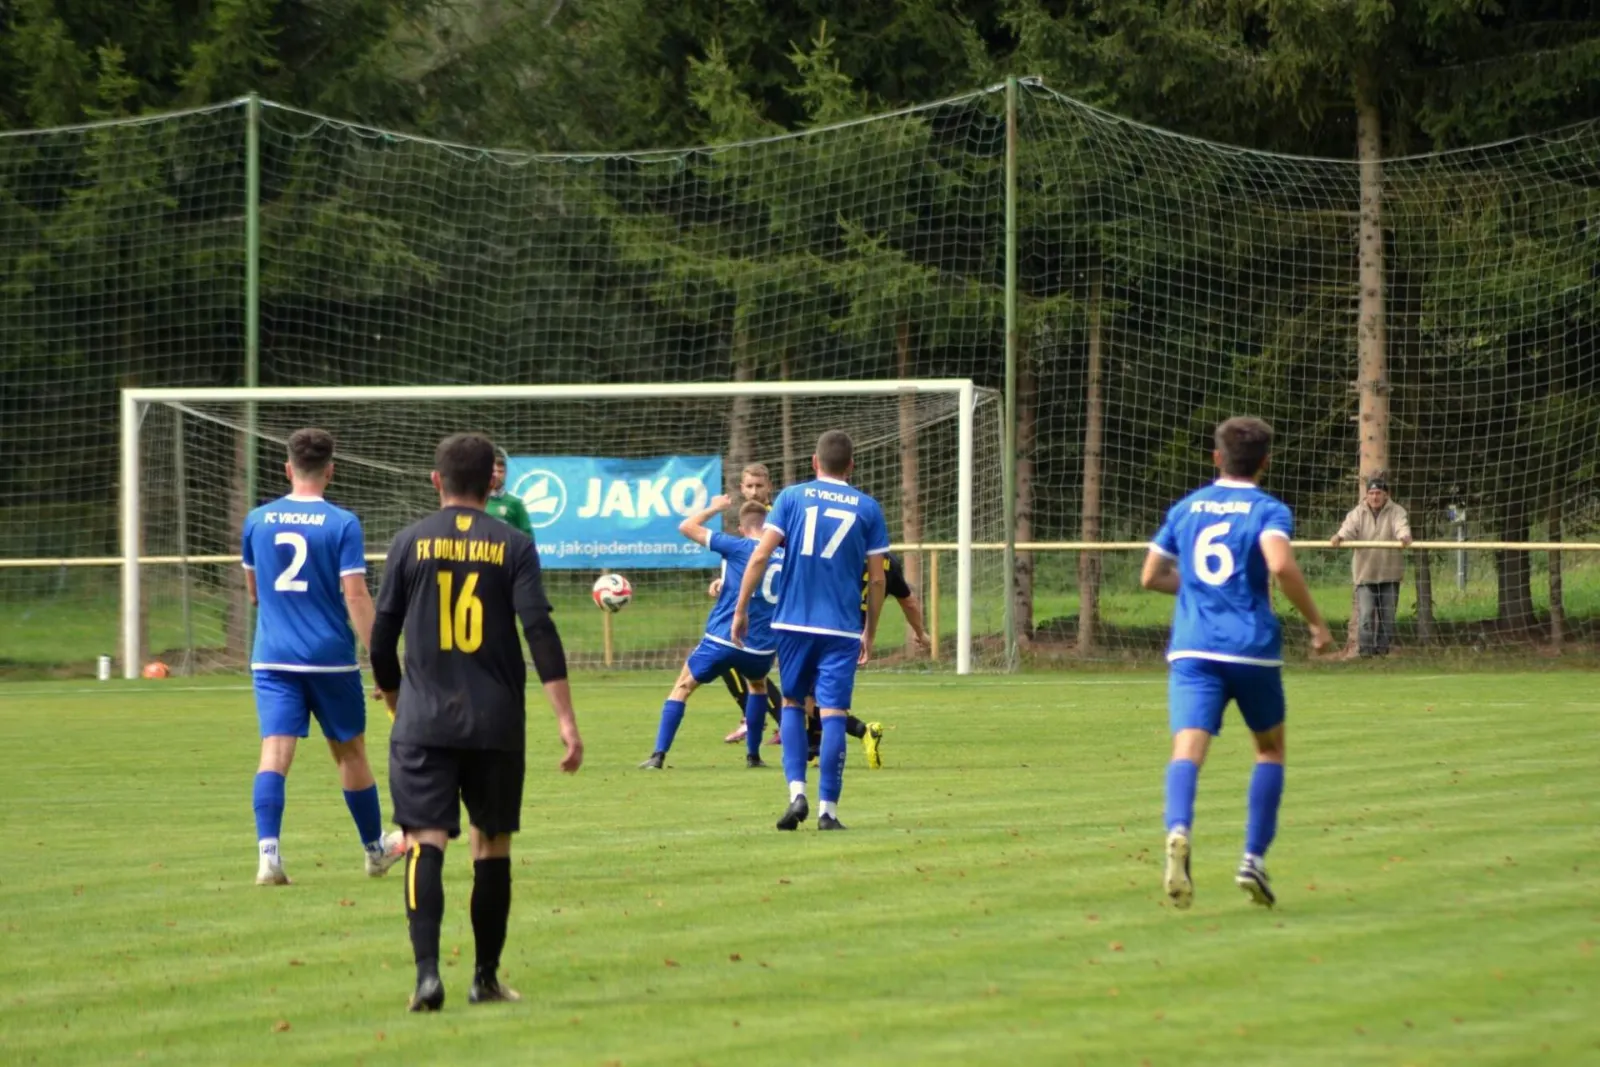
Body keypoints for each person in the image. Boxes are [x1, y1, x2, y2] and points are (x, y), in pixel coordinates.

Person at [370, 432, 583, 1012]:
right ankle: (485, 978)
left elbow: (381, 640)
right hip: (496, 722)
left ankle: (426, 977)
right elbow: (539, 631)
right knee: (491, 844)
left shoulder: (408, 542)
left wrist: (396, 701)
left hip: (423, 721)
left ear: (436, 480)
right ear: (493, 481)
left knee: (424, 840)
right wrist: (566, 720)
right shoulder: (514, 544)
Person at [1140, 417, 1332, 910]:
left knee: (1187, 749)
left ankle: (1178, 828)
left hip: (1194, 648)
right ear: (1266, 461)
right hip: (1250, 648)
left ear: (1216, 457)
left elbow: (1151, 576)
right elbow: (1280, 564)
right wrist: (1316, 622)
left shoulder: (1186, 508)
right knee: (1269, 749)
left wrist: (1198, 589)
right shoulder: (1268, 509)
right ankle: (1253, 858)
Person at [241, 428, 403, 887]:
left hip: (273, 658)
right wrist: (381, 660)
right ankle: (374, 851)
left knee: (274, 752)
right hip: (329, 659)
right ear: (331, 470)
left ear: (287, 469)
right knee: (350, 752)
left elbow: (254, 593)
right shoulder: (342, 523)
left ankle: (268, 857)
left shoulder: (257, 520)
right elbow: (356, 596)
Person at [732, 430, 890, 832]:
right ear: (851, 466)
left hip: (792, 622)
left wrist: (741, 608)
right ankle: (827, 812)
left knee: (791, 704)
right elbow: (877, 579)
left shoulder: (790, 498)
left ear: (814, 463)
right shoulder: (868, 508)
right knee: (833, 713)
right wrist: (869, 631)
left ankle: (796, 794)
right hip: (841, 627)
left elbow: (760, 555)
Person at [639, 498, 782, 770]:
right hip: (761, 647)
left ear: (741, 528)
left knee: (683, 687)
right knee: (758, 686)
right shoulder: (784, 556)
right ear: (768, 528)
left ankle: (658, 755)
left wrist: (715, 508)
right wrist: (723, 582)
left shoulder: (735, 545)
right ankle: (753, 756)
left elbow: (686, 526)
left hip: (723, 638)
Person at [802, 549, 933, 769]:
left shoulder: (838, 550)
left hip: (826, 630)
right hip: (856, 638)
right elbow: (908, 601)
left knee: (804, 701)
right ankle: (813, 750)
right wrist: (920, 633)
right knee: (821, 695)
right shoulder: (888, 561)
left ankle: (863, 731)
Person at [717, 463, 784, 746]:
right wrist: (722, 581)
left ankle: (788, 724)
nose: (755, 491)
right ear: (742, 489)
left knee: (739, 660)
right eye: (749, 486)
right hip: (754, 604)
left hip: (772, 606)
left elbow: (768, 560)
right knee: (743, 665)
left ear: (769, 487)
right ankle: (760, 719)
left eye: (759, 486)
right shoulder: (749, 517)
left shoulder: (777, 517)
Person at [1330, 476, 1413, 657]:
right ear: (1366, 495)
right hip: (1365, 574)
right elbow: (1348, 528)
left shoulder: (1397, 511)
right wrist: (1340, 536)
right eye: (1371, 493)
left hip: (1389, 574)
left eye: (1378, 493)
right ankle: (1365, 654)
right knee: (1366, 616)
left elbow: (1401, 526)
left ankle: (1382, 653)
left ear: (1386, 495)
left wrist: (1404, 536)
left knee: (1388, 618)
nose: (1375, 497)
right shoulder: (1358, 513)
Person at [486, 447, 534, 536]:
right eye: (493, 471)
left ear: (506, 474)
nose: (496, 475)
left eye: (500, 471)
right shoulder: (477, 501)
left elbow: (527, 536)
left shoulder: (515, 503)